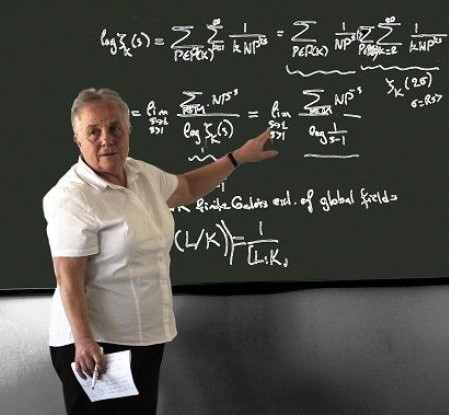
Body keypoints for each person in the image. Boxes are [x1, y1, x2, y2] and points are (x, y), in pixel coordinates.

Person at [43, 87, 278, 415]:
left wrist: (237, 157)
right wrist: (83, 340)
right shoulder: (72, 197)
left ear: (129, 130)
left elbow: (188, 187)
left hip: (144, 335)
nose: (106, 138)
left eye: (115, 127)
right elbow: (68, 277)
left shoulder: (141, 175)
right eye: (93, 131)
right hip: (97, 344)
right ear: (77, 140)